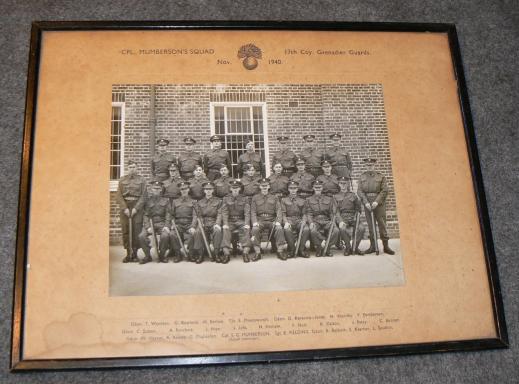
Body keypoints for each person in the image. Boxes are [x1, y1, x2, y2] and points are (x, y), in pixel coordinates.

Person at [357, 157, 395, 255]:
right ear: (365, 166)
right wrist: (365, 202)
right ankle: (373, 246)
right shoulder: (362, 177)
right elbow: (360, 191)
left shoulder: (381, 177)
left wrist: (376, 202)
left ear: (374, 165)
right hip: (367, 203)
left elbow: (385, 190)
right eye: (367, 165)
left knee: (382, 224)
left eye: (371, 165)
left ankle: (386, 246)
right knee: (371, 225)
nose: (369, 167)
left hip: (379, 203)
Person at [115, 160, 147, 263]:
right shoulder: (121, 180)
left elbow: (144, 196)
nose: (132, 169)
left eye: (134, 167)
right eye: (130, 167)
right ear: (127, 169)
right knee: (126, 230)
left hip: (136, 207)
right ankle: (128, 254)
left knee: (136, 230)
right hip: (125, 207)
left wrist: (136, 208)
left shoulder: (142, 180)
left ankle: (135, 253)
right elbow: (118, 196)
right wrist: (124, 208)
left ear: (137, 168)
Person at [250, 178, 287, 261]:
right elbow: (253, 211)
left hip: (271, 220)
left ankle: (280, 251)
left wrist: (278, 222)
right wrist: (255, 222)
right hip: (260, 220)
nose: (264, 187)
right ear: (260, 187)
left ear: (269, 186)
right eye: (262, 186)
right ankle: (257, 252)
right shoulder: (255, 198)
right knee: (255, 229)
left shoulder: (274, 197)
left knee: (279, 228)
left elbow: (279, 210)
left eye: (266, 186)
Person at [138, 181, 171, 264]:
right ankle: (147, 255)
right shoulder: (148, 201)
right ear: (151, 190)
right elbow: (146, 215)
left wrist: (167, 226)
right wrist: (148, 227)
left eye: (158, 189)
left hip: (162, 223)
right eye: (154, 189)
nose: (156, 190)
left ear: (161, 190)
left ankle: (162, 255)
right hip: (151, 223)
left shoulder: (166, 201)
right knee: (141, 236)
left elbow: (168, 214)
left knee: (165, 236)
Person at [193, 182, 226, 263]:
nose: (208, 191)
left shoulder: (219, 201)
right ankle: (200, 254)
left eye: (210, 189)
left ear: (213, 190)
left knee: (217, 231)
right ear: (204, 191)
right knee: (197, 232)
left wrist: (217, 224)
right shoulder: (199, 202)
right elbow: (198, 215)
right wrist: (201, 223)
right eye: (206, 189)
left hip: (214, 222)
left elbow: (220, 214)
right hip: (203, 222)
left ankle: (216, 253)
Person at [305, 180, 339, 257]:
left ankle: (328, 247)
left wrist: (333, 221)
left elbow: (331, 212)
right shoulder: (308, 199)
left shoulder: (329, 199)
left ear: (322, 188)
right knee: (313, 231)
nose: (318, 189)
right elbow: (309, 213)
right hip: (315, 220)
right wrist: (311, 223)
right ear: (313, 188)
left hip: (326, 220)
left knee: (336, 230)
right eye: (316, 187)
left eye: (319, 187)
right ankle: (319, 247)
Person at [221, 180, 252, 262]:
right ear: (230, 189)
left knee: (246, 229)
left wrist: (246, 223)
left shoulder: (245, 198)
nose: (235, 189)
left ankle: (245, 253)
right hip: (230, 221)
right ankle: (226, 254)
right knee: (225, 230)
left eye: (237, 188)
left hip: (240, 220)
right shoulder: (225, 198)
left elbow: (247, 212)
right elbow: (224, 212)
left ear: (240, 188)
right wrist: (225, 223)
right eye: (233, 188)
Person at [334, 176, 365, 256]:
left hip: (353, 217)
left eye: (345, 183)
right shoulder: (335, 196)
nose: (343, 185)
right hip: (343, 217)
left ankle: (355, 247)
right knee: (342, 229)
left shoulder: (353, 195)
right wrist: (340, 221)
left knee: (362, 228)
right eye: (341, 183)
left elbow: (358, 209)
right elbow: (336, 211)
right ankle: (348, 247)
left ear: (347, 184)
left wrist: (356, 216)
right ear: (339, 184)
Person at [170, 181, 197, 263]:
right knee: (172, 234)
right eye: (182, 189)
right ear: (180, 190)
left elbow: (195, 215)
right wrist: (172, 224)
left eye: (185, 189)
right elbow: (171, 215)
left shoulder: (194, 201)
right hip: (178, 224)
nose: (183, 191)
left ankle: (191, 253)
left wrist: (193, 226)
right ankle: (178, 254)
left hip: (189, 223)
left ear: (188, 189)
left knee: (194, 233)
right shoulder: (175, 201)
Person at [281, 181, 310, 258]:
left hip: (299, 219)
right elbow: (283, 214)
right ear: (288, 189)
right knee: (287, 229)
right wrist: (286, 222)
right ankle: (292, 249)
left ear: (297, 189)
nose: (293, 190)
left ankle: (301, 249)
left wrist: (304, 221)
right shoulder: (284, 200)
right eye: (291, 188)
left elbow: (304, 213)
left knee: (306, 229)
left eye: (295, 188)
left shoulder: (302, 200)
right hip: (289, 219)